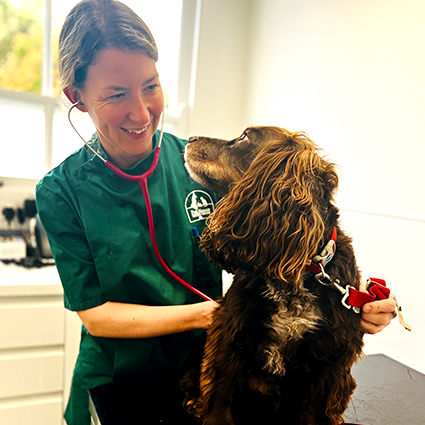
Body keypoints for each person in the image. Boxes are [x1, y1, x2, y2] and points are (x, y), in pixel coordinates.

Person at [35, 1, 397, 424]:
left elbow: (280, 244)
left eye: (150, 86)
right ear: (76, 97)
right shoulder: (60, 191)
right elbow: (96, 316)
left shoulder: (199, 165)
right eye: (116, 95)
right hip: (120, 383)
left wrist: (352, 303)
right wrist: (220, 316)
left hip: (210, 375)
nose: (141, 111)